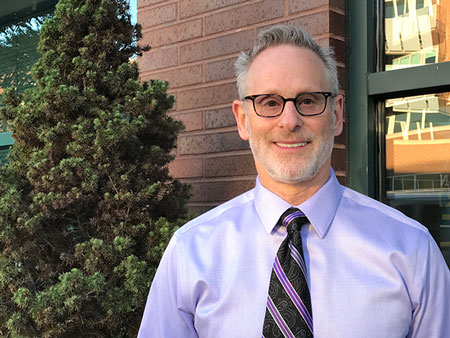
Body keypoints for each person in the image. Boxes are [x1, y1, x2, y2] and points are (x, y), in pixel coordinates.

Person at [138, 24, 450, 338]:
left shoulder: (412, 250)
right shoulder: (191, 252)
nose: (289, 121)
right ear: (243, 119)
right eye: (270, 102)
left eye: (309, 100)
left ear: (337, 113)